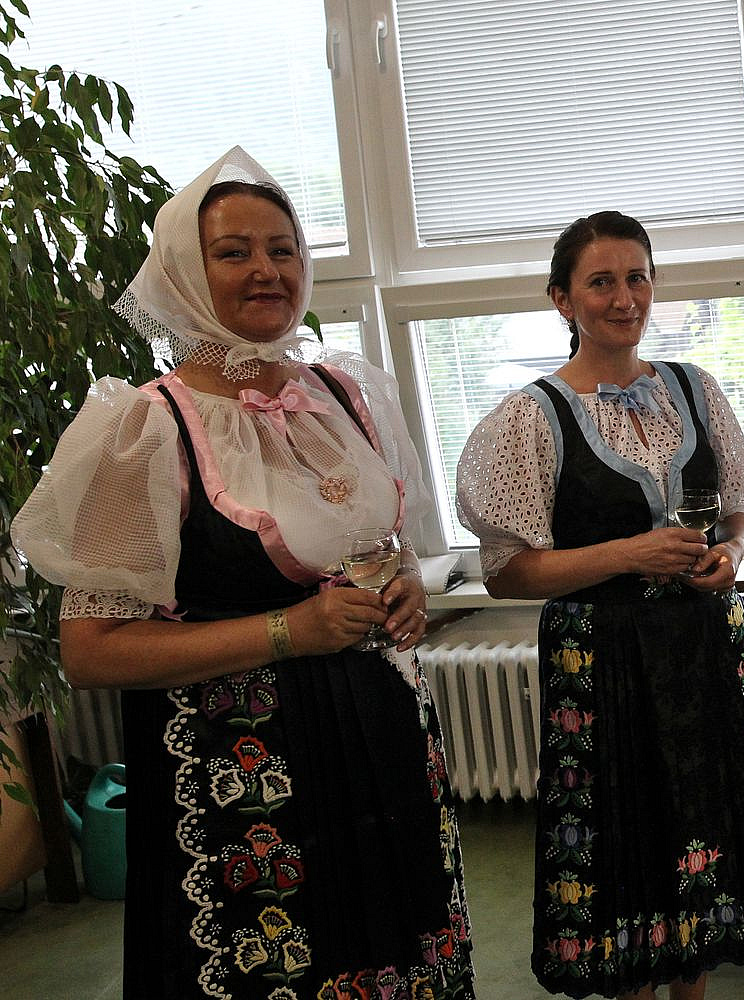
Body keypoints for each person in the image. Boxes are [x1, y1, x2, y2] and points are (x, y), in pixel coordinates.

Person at [12, 148, 473, 997]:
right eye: (234, 252)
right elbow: (91, 651)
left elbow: (385, 541)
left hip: (383, 738)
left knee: (399, 945)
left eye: (282, 248)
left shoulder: (346, 392)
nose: (267, 270)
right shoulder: (144, 430)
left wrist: (405, 580)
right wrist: (286, 631)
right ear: (185, 275)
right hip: (244, 775)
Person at [455, 211, 744, 999]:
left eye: (636, 277)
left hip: (704, 644)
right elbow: (506, 573)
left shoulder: (693, 389)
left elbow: (739, 510)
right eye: (600, 281)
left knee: (703, 826)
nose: (623, 297)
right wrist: (628, 554)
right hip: (602, 658)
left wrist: (733, 553)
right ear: (562, 300)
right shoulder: (530, 417)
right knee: (627, 841)